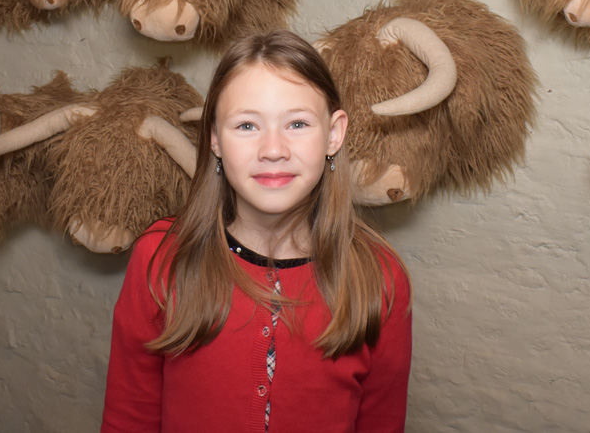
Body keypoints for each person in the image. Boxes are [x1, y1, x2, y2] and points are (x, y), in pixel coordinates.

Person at [101, 30, 412, 432]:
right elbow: (129, 419)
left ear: (333, 134)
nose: (273, 149)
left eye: (297, 123)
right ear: (214, 139)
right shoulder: (160, 257)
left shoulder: (380, 279)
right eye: (247, 126)